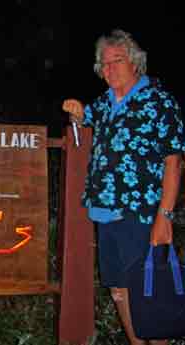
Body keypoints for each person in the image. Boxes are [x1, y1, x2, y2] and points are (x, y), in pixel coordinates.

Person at [62, 29, 184, 345]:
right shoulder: (105, 102)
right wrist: (76, 113)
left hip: (140, 213)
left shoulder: (158, 100)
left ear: (134, 62)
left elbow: (174, 161)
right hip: (104, 213)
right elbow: (83, 120)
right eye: (104, 64)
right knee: (119, 290)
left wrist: (165, 216)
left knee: (150, 292)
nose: (109, 69)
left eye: (116, 61)